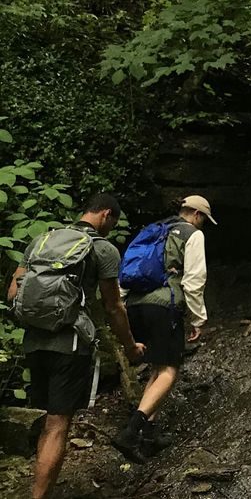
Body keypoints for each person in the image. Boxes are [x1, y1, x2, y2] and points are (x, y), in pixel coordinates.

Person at [6, 193, 145, 499]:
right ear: (106, 214)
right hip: (69, 344)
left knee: (49, 421)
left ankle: (38, 489)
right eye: (113, 222)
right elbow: (113, 308)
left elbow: (13, 293)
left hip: (34, 342)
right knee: (58, 425)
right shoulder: (103, 249)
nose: (111, 227)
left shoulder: (43, 240)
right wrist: (130, 346)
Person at [112, 195, 215, 462]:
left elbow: (128, 268)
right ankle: (131, 431)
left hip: (134, 304)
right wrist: (197, 318)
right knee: (170, 371)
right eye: (203, 220)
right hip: (163, 306)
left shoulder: (155, 229)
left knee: (158, 368)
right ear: (197, 215)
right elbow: (193, 280)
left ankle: (149, 434)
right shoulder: (192, 234)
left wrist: (122, 305)